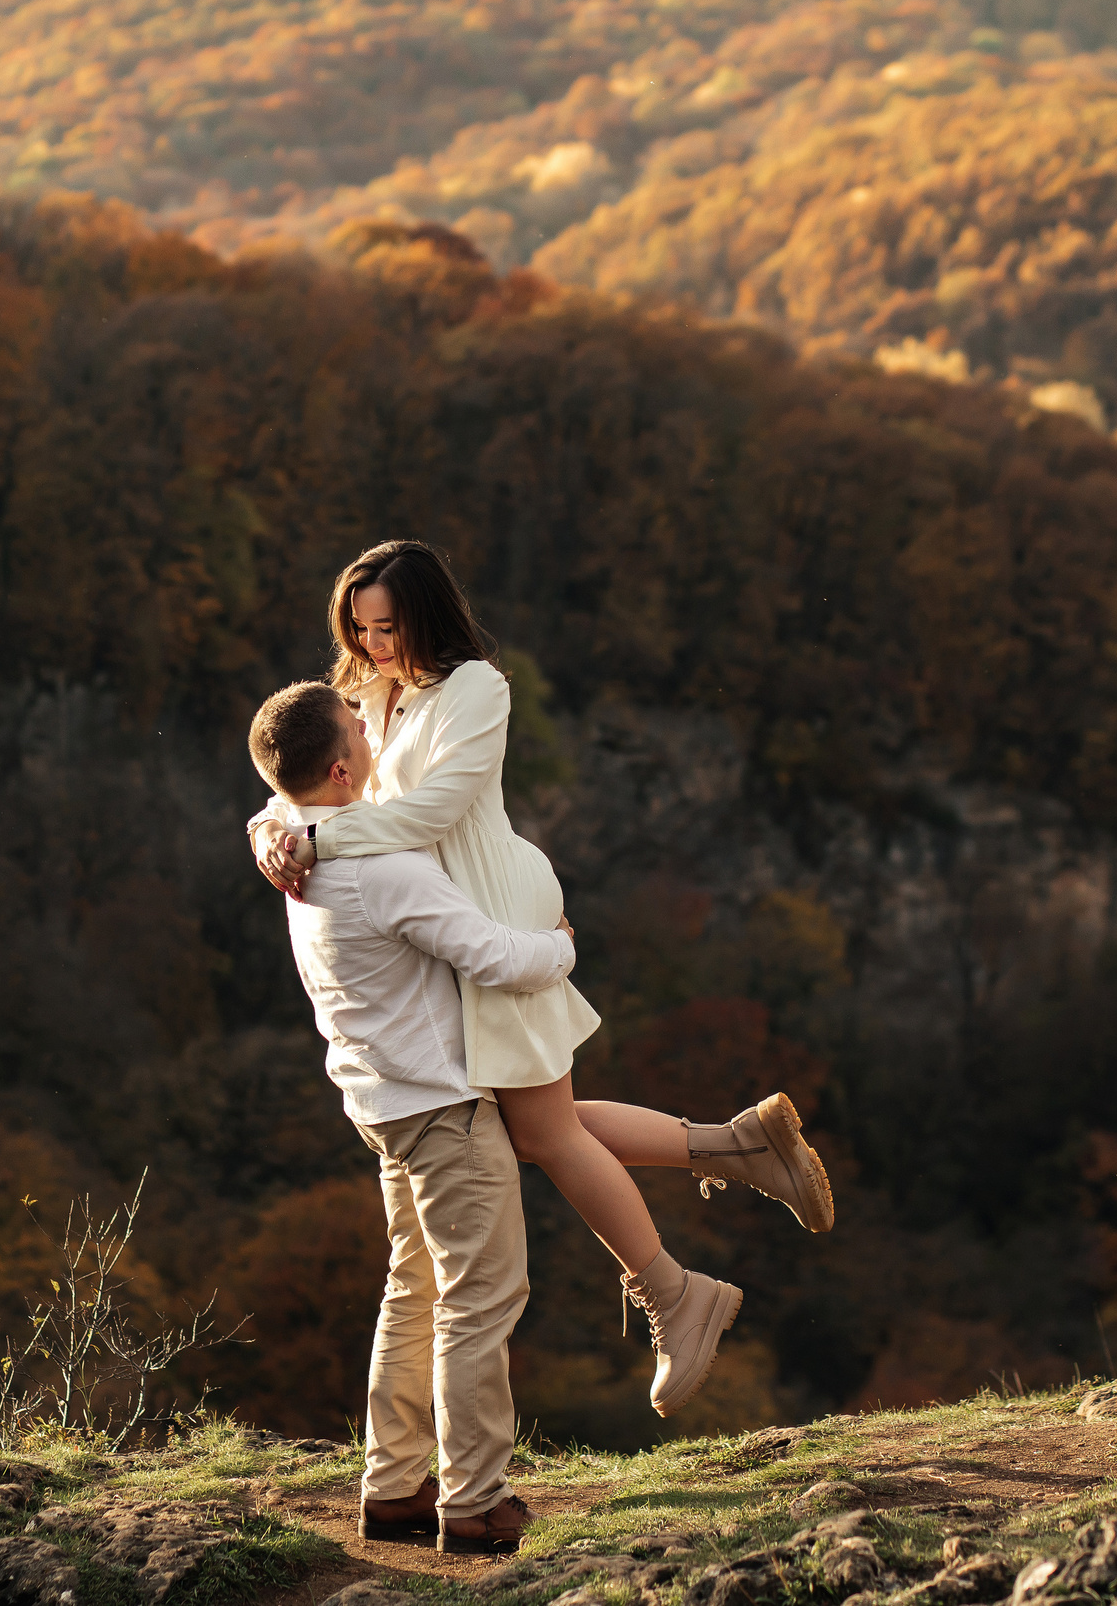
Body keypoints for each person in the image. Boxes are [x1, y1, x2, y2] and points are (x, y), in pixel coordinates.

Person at [248, 540, 834, 1420]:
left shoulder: (478, 687)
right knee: (533, 1123)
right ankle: (738, 1150)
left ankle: (680, 1293)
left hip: (495, 909)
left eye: (387, 626)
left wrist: (315, 841)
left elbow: (431, 810)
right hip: (446, 922)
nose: (372, 646)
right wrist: (266, 828)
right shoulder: (367, 692)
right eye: (359, 629)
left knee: (541, 1133)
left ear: (427, 615)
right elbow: (298, 772)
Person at [248, 677, 568, 1554]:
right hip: (444, 1106)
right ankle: (473, 1501)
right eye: (359, 721)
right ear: (346, 768)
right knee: (482, 1296)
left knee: (416, 1289)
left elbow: (273, 799)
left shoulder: (301, 849)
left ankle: (392, 1487)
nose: (370, 717)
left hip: (381, 1099)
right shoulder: (377, 867)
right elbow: (491, 953)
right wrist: (561, 944)